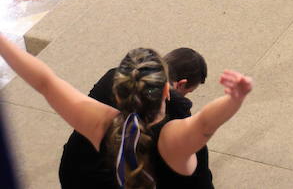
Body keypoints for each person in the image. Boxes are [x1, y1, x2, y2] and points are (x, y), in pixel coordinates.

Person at [0, 36, 250, 186]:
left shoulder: (100, 124)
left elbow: (45, 82)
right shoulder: (172, 140)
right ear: (167, 90)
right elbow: (206, 123)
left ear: (117, 92)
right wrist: (234, 99)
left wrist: (2, 42)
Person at [59, 47, 212, 186]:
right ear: (180, 84)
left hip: (73, 168)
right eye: (187, 92)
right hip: (111, 180)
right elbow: (199, 174)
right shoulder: (176, 115)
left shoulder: (114, 76)